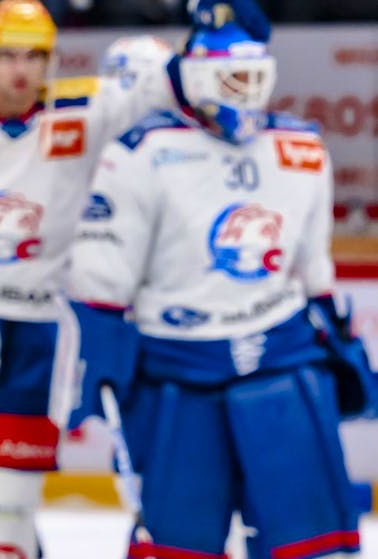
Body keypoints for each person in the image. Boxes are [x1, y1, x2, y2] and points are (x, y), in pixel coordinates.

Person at [67, 18, 375, 559]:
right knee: (179, 547)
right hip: (176, 371)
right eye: (234, 79)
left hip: (281, 358)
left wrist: (339, 333)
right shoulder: (142, 151)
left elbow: (313, 267)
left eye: (255, 77)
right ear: (199, 78)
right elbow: (101, 278)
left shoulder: (298, 148)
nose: (248, 92)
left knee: (314, 542)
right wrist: (101, 353)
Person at [0, 2, 174, 558]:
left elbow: (162, 95)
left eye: (33, 55)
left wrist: (160, 63)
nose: (19, 69)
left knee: (10, 501)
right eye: (7, 55)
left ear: (50, 59)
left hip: (43, 326)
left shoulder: (82, 110)